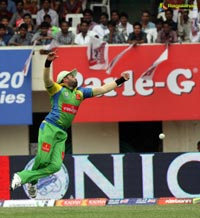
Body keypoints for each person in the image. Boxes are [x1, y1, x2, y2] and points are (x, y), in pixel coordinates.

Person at [10, 51, 130, 198]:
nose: (74, 77)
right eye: (71, 76)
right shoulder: (57, 89)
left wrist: (121, 80)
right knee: (43, 159)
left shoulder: (80, 93)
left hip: (62, 133)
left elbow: (103, 89)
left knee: (55, 166)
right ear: (64, 79)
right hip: (49, 127)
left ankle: (29, 180)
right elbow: (47, 80)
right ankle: (23, 177)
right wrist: (48, 62)